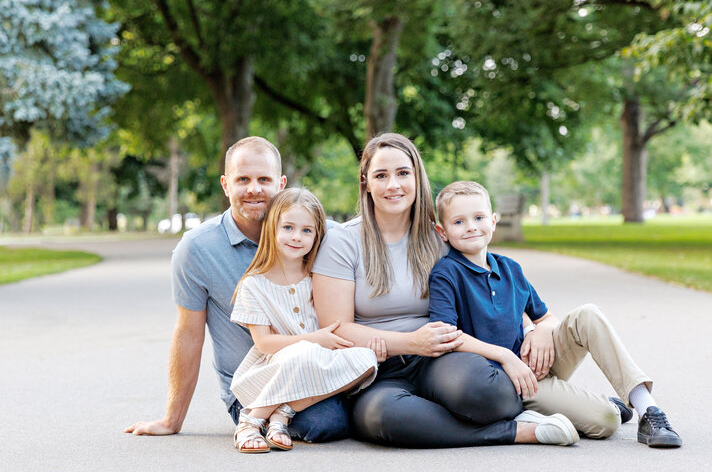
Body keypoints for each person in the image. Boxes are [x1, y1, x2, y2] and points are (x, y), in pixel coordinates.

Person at [312, 133, 579, 448]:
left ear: (417, 177)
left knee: (491, 395)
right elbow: (336, 329)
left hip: (441, 358)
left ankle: (465, 416)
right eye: (381, 176)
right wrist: (411, 342)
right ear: (366, 182)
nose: (393, 184)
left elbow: (495, 284)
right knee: (383, 418)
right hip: (378, 370)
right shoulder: (343, 242)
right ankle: (517, 432)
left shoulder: (440, 238)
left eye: (402, 173)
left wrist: (537, 326)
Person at [125, 137, 350, 442]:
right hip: (252, 388)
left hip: (317, 370)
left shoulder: (321, 234)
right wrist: (172, 419)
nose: (254, 189)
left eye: (264, 179)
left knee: (355, 394)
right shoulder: (197, 249)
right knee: (324, 422)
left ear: (281, 183)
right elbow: (189, 333)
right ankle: (256, 419)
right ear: (225, 184)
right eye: (243, 179)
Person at [428, 180, 682, 448]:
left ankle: (649, 410)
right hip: (508, 383)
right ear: (442, 232)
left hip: (534, 363)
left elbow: (546, 316)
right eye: (459, 222)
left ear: (492, 221)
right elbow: (446, 335)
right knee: (606, 420)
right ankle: (599, 406)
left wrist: (542, 330)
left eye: (478, 217)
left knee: (588, 314)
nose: (470, 226)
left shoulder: (510, 268)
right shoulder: (446, 273)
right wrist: (504, 357)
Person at [229, 188, 380, 453]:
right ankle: (250, 420)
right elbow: (264, 343)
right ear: (273, 229)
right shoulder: (254, 285)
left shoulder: (319, 277)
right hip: (279, 363)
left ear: (317, 235)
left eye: (307, 231)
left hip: (320, 360)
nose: (297, 237)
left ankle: (283, 412)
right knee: (304, 351)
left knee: (367, 360)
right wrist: (314, 339)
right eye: (288, 227)